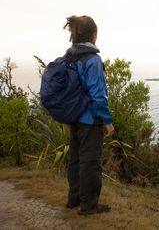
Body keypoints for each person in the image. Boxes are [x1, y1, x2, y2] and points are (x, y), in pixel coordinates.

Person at [63, 15, 114, 215]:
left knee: (75, 159)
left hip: (73, 117)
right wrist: (108, 122)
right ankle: (89, 205)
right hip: (90, 120)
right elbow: (98, 95)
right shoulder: (93, 60)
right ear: (93, 35)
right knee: (90, 162)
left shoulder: (69, 57)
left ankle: (73, 199)